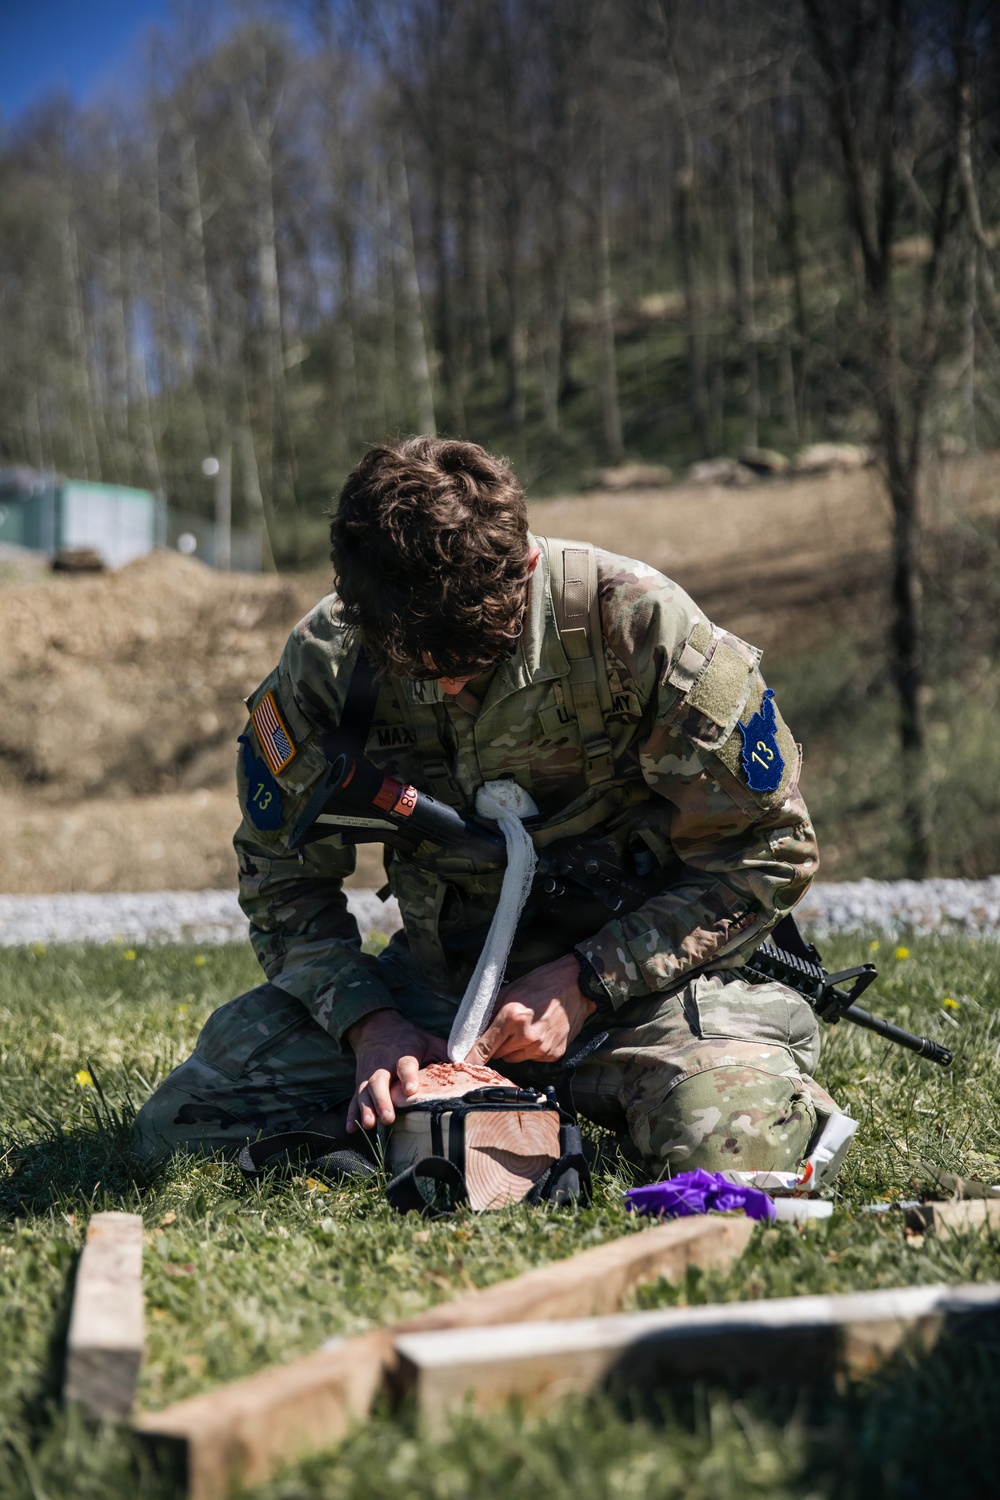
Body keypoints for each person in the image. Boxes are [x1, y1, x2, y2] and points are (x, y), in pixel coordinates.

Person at [132, 436, 842, 1172]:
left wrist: (591, 981)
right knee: (182, 1126)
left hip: (646, 999)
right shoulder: (329, 662)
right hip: (435, 1000)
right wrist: (370, 1027)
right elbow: (279, 878)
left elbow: (771, 849)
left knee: (737, 1147)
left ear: (525, 567)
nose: (442, 688)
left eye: (472, 657)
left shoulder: (636, 626)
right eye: (414, 664)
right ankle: (452, 1118)